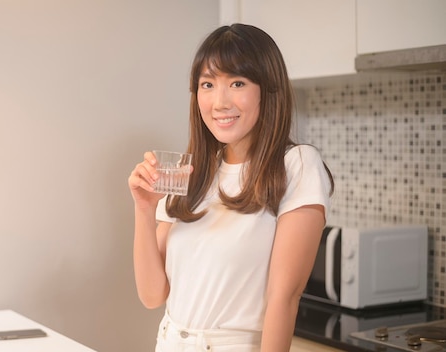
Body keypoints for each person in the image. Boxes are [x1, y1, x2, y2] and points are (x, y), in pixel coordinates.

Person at [127, 23, 334, 352]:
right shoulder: (190, 173)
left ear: (268, 88)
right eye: (207, 84)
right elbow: (152, 295)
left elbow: (285, 297)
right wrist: (144, 208)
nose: (219, 102)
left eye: (237, 83)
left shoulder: (296, 165)